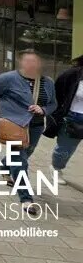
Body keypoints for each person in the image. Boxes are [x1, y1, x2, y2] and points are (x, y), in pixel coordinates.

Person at [0, 49, 56, 215]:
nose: (32, 65)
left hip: (35, 125)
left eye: (35, 62)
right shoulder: (7, 79)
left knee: (26, 153)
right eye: (28, 61)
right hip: (13, 124)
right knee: (21, 161)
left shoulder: (48, 82)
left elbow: (53, 104)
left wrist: (43, 109)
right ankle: (26, 198)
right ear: (21, 63)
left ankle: (3, 166)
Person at [51, 55, 83, 185]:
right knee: (65, 149)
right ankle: (56, 168)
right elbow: (57, 91)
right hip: (73, 118)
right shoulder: (73, 74)